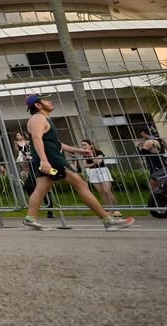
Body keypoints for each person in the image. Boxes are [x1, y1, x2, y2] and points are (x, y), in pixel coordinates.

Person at [21, 94, 134, 232]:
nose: (50, 101)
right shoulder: (38, 118)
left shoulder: (43, 119)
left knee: (41, 188)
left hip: (48, 160)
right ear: (38, 105)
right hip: (52, 160)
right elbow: (37, 139)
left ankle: (30, 218)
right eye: (45, 100)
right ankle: (107, 219)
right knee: (80, 183)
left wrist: (78, 151)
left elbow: (55, 143)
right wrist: (45, 160)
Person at [80, 140, 120, 214]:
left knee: (107, 190)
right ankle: (109, 209)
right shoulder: (84, 155)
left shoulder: (98, 152)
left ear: (90, 145)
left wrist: (91, 156)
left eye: (85, 144)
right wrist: (92, 164)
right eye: (82, 145)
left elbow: (98, 162)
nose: (83, 146)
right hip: (93, 172)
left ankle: (116, 209)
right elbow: (85, 165)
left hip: (102, 171)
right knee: (101, 192)